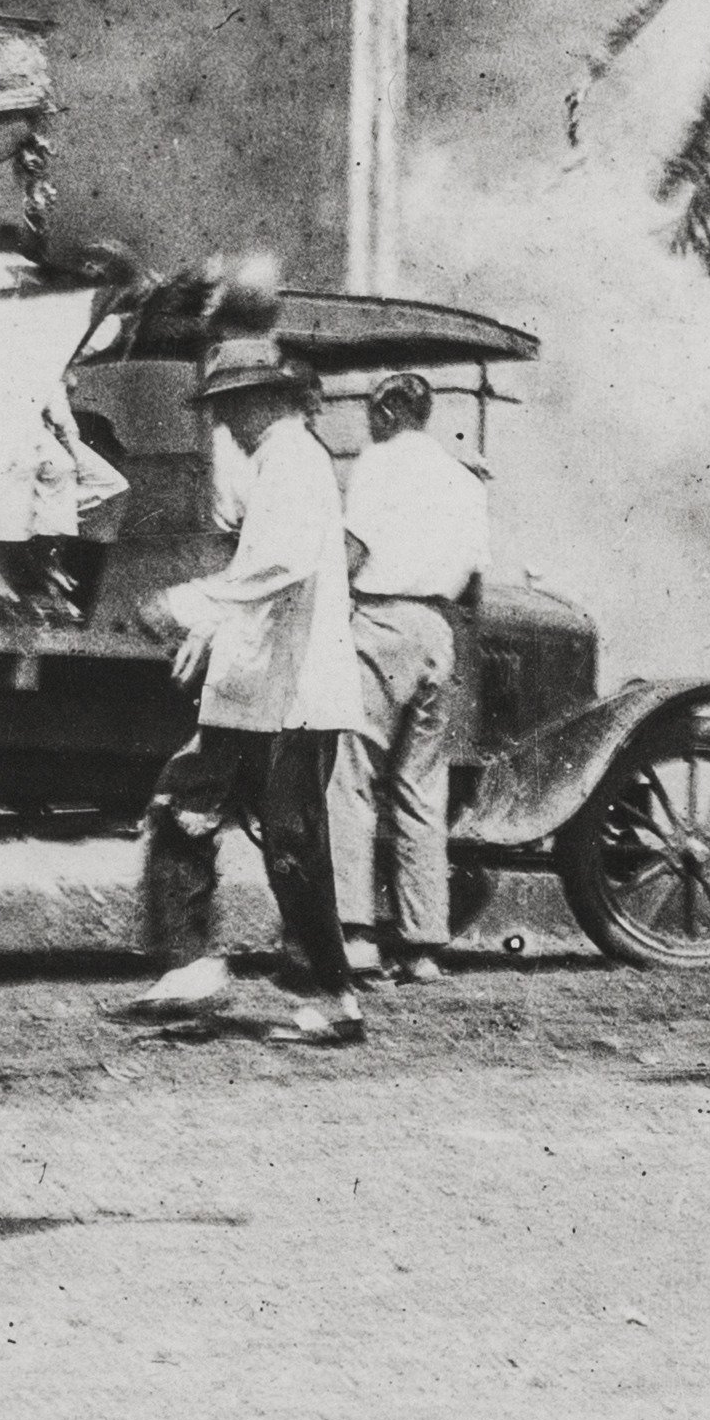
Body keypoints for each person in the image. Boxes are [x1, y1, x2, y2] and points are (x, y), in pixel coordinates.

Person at [127, 336, 371, 1042]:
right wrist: (210, 629)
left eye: (232, 406)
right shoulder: (277, 461)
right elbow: (263, 577)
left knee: (293, 844)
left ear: (267, 398)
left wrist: (189, 603)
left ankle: (335, 996)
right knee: (218, 813)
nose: (224, 422)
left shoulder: (293, 458)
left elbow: (280, 566)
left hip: (298, 689)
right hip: (264, 685)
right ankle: (212, 966)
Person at [333, 372, 488, 984]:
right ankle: (424, 947)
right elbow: (474, 578)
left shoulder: (380, 462)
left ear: (393, 410)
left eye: (373, 411)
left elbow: (353, 551)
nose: (369, 424)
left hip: (381, 621)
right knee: (422, 789)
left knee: (351, 776)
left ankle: (357, 938)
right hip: (438, 630)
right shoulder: (464, 478)